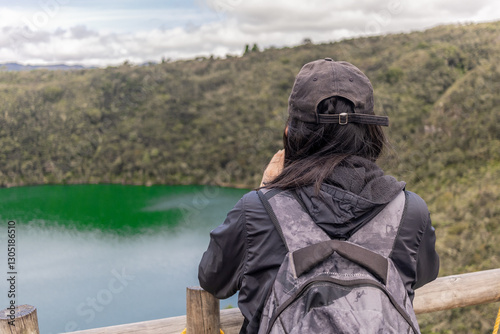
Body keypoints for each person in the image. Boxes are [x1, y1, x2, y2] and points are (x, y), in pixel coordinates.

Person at [198, 58, 439, 334]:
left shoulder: (256, 211)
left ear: (291, 134)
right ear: (372, 133)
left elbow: (212, 278)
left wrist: (266, 190)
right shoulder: (410, 211)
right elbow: (424, 273)